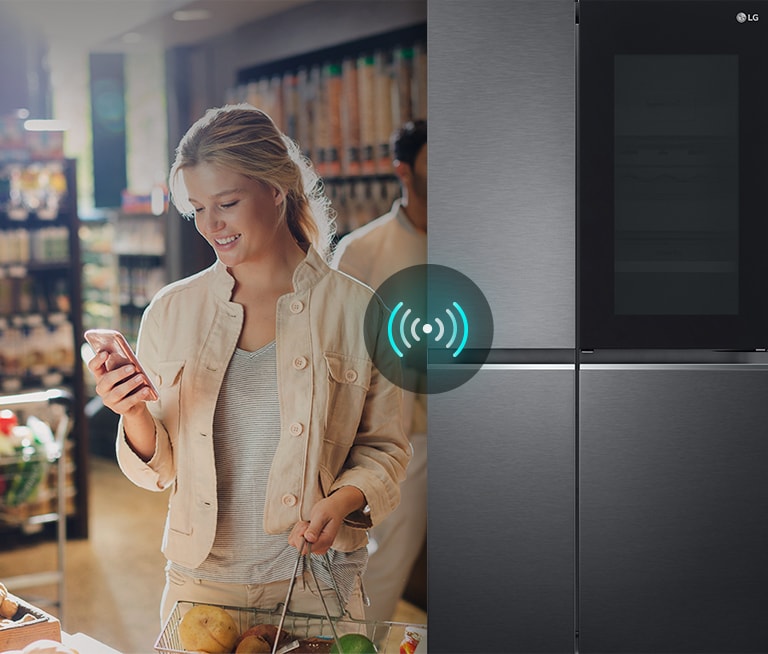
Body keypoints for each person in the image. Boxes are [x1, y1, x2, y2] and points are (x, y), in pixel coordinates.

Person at [87, 103, 411, 625]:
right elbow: (161, 470)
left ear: (276, 189)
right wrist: (132, 413)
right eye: (197, 210)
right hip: (199, 585)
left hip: (316, 587)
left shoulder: (358, 310)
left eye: (228, 203)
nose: (211, 226)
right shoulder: (172, 311)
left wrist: (342, 501)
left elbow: (386, 450)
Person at [331, 119, 427, 622]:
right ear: (404, 171)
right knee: (385, 564)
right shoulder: (363, 251)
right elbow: (338, 349)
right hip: (404, 441)